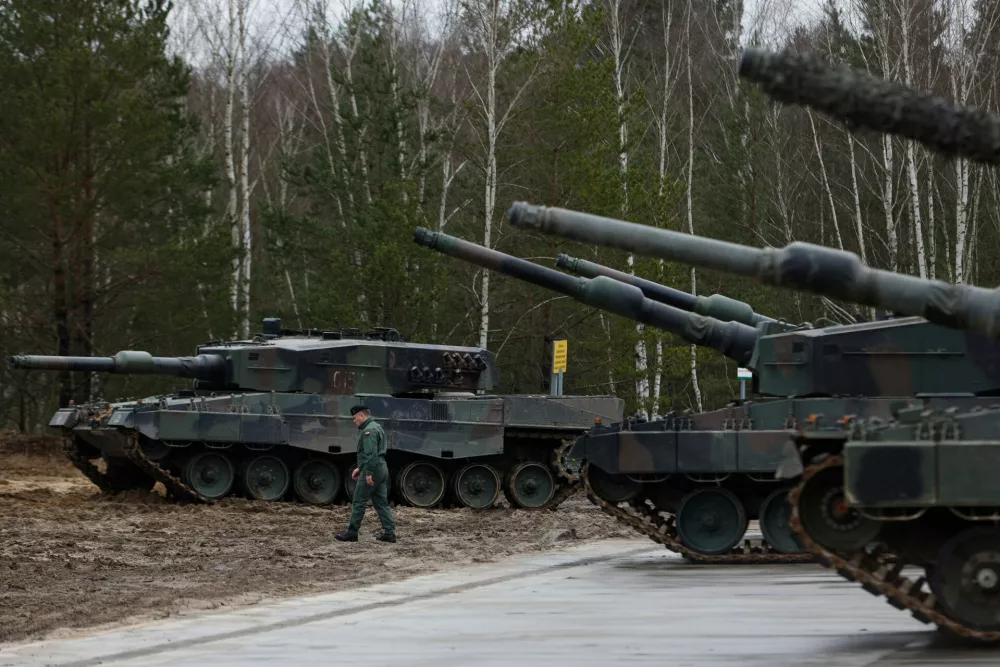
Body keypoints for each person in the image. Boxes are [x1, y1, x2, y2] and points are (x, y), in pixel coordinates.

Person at [335, 405, 397, 543]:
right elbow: (373, 454)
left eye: (355, 417)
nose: (354, 420)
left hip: (373, 469)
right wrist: (360, 468)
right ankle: (390, 533)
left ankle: (351, 533)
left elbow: (370, 454)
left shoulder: (368, 431)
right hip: (381, 468)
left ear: (362, 415)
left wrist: (368, 473)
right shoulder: (377, 427)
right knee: (381, 502)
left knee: (358, 501)